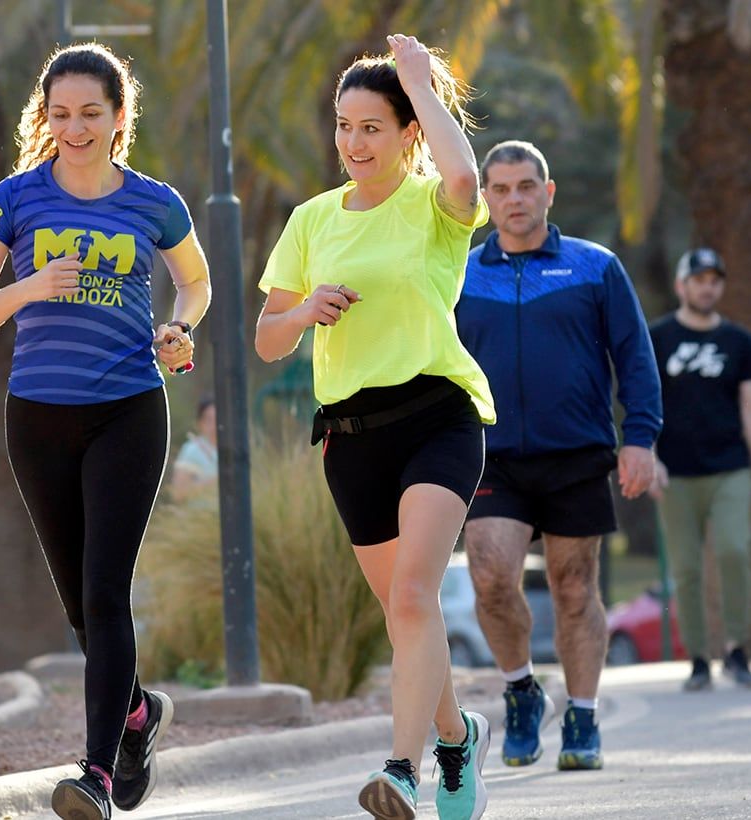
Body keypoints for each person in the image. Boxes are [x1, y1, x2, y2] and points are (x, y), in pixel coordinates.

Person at [0, 43, 210, 820]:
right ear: (45, 116)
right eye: (61, 113)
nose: (75, 127)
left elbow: (195, 281)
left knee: (104, 591)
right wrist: (27, 285)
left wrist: (178, 327)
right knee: (77, 604)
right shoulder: (13, 199)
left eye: (91, 112)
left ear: (119, 116)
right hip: (37, 416)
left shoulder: (155, 202)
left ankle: (95, 772)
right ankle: (137, 715)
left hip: (129, 407)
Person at [255, 34, 493, 820]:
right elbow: (266, 336)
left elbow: (464, 175)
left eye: (372, 127)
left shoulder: (434, 208)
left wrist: (421, 81)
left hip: (438, 419)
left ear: (407, 134)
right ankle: (458, 738)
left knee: (417, 599)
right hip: (352, 439)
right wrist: (303, 309)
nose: (353, 143)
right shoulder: (312, 219)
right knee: (405, 615)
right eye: (343, 125)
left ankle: (401, 770)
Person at [455, 140, 661, 772]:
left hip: (576, 452)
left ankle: (583, 718)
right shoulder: (460, 272)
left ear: (548, 192)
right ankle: (520, 691)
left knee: (576, 588)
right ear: (485, 199)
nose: (514, 200)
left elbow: (634, 356)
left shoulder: (593, 267)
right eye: (501, 189)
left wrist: (642, 439)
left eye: (525, 187)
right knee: (491, 579)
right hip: (491, 455)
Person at [648, 248, 751, 692]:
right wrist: (649, 456)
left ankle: (737, 649)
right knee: (686, 568)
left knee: (734, 551)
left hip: (730, 468)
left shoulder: (739, 342)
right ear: (682, 285)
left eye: (715, 279)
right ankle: (698, 658)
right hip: (675, 472)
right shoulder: (657, 336)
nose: (707, 286)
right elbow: (642, 400)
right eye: (698, 279)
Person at [170, 395, 217, 504]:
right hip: (201, 518)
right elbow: (178, 493)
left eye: (218, 419)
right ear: (200, 423)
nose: (214, 425)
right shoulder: (192, 450)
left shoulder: (232, 449)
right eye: (209, 420)